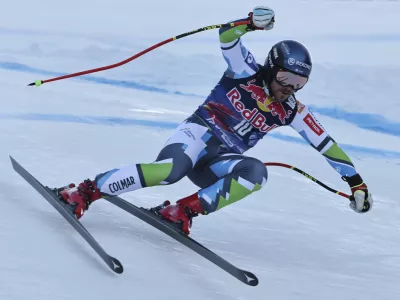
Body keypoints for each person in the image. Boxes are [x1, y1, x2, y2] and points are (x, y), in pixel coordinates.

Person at [56, 6, 373, 235]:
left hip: (218, 161)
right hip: (196, 137)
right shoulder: (245, 70)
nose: (289, 87)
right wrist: (250, 24)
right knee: (169, 172)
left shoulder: (291, 109)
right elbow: (227, 36)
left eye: (299, 83)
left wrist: (355, 182)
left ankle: (182, 211)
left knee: (256, 173)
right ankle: (84, 191)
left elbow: (326, 145)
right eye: (286, 77)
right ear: (272, 66)